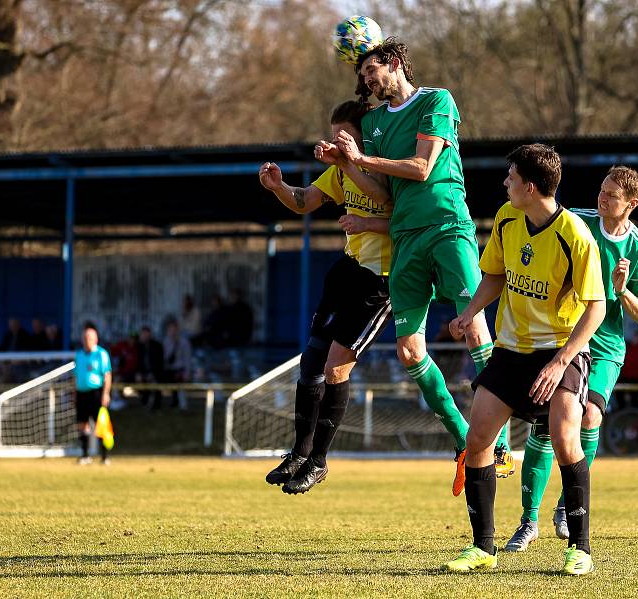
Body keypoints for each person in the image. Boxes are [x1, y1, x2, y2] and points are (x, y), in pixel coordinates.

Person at [327, 38, 513, 491]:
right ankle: (466, 442)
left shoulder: (436, 100)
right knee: (410, 352)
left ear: (393, 64)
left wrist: (362, 158)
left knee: (474, 327)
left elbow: (422, 167)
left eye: (372, 70)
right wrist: (346, 165)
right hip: (405, 239)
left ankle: (500, 442)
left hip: (448, 226)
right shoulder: (370, 122)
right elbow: (383, 193)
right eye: (363, 74)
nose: (367, 80)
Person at [443, 144, 605, 575]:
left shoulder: (575, 236)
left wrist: (560, 363)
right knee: (478, 440)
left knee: (566, 440)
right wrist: (470, 312)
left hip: (560, 350)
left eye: (510, 177)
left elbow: (596, 308)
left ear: (530, 187)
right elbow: (494, 274)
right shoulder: (507, 217)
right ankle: (482, 548)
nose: (504, 183)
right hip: (511, 350)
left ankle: (580, 548)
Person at [504, 165, 638, 552]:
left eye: (611, 195)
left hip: (604, 347)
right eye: (601, 190)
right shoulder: (578, 223)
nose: (601, 198)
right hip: (562, 336)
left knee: (589, 416)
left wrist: (622, 292)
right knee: (543, 424)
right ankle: (527, 521)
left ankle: (565, 505)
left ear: (632, 204)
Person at [260, 100, 393, 494]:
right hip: (347, 272)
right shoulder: (340, 172)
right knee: (311, 359)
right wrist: (279, 187)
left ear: (362, 136)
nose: (335, 141)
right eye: (333, 134)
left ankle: (319, 461)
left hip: (379, 282)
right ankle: (299, 453)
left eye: (343, 135)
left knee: (336, 368)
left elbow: (398, 213)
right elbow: (303, 201)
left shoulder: (386, 168)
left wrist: (364, 218)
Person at [73, 322, 113, 465]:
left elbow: (107, 375)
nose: (87, 340)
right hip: (81, 393)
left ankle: (105, 457)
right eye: (85, 338)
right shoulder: (79, 355)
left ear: (95, 339)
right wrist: (75, 394)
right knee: (82, 425)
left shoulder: (101, 354)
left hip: (96, 393)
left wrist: (106, 393)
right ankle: (85, 455)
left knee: (100, 425)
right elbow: (76, 376)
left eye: (89, 338)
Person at [162, 320, 192, 410]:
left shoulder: (184, 342)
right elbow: (165, 358)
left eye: (174, 330)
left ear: (177, 330)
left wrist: (187, 373)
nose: (172, 332)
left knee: (179, 381)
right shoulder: (165, 342)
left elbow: (187, 359)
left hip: (180, 369)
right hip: (168, 369)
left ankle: (183, 405)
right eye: (170, 330)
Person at [136, 325, 164, 409]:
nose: (145, 336)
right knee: (139, 382)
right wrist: (139, 373)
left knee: (154, 383)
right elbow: (136, 362)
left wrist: (152, 374)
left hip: (155, 373)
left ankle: (155, 405)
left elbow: (159, 363)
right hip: (142, 373)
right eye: (143, 334)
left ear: (150, 334)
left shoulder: (157, 346)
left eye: (146, 334)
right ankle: (144, 402)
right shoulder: (138, 347)